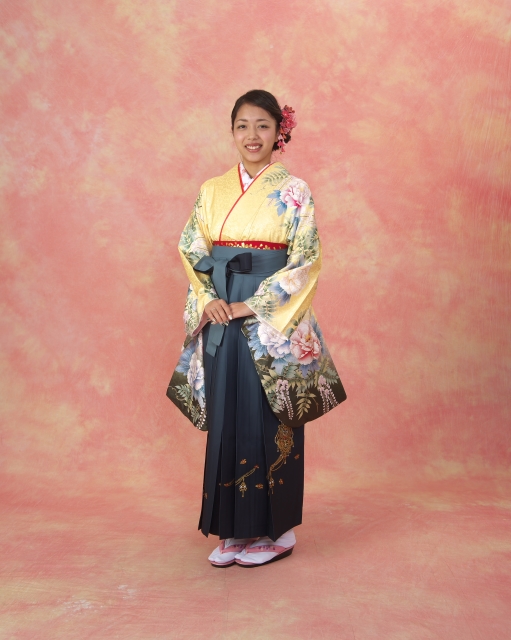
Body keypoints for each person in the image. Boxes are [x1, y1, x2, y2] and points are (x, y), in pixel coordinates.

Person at [167, 89, 346, 568]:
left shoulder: (295, 191)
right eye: (242, 126)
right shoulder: (212, 190)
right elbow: (191, 247)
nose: (252, 135)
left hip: (268, 317)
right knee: (227, 411)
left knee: (270, 414)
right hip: (220, 308)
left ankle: (275, 529)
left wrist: (253, 304)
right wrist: (208, 298)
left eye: (263, 126)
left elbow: (306, 259)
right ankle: (232, 528)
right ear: (232, 132)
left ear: (278, 133)